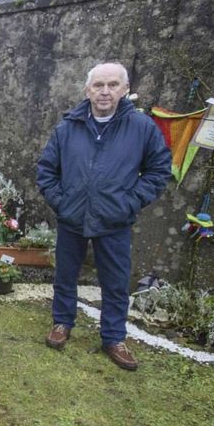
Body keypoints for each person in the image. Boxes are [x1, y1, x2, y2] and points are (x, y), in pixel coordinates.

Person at [36, 62, 171, 371]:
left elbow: (159, 170)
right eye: (98, 85)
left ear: (125, 90)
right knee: (66, 276)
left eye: (112, 85)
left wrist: (130, 203)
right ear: (88, 90)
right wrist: (62, 202)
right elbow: (46, 171)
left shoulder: (141, 127)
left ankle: (113, 337)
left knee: (115, 282)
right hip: (72, 218)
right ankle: (61, 323)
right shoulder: (68, 127)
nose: (105, 91)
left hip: (114, 221)